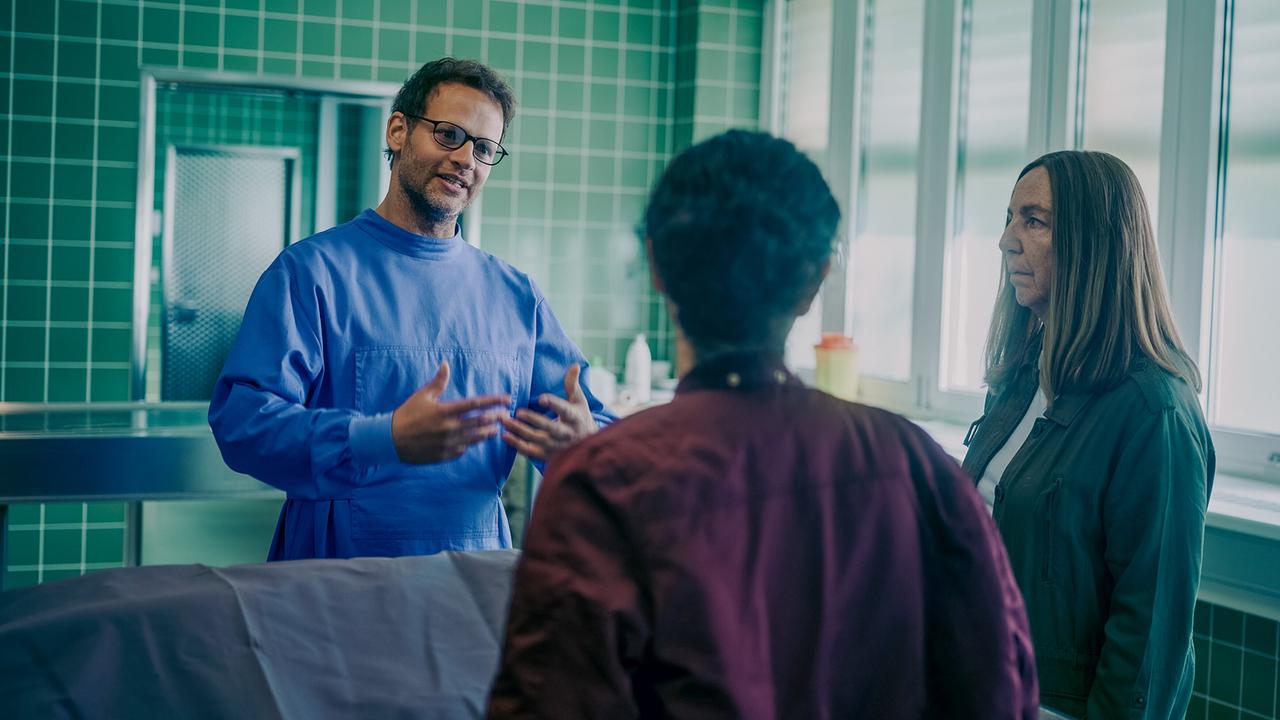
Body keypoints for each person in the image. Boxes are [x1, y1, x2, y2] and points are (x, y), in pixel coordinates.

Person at [487, 130, 1039, 719]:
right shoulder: (919, 467)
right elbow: (999, 692)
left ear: (655, 265)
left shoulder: (602, 485)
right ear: (816, 279)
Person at [209, 58, 614, 561]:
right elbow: (243, 424)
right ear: (398, 130)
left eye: (485, 149)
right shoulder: (311, 273)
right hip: (336, 583)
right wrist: (382, 439)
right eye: (449, 135)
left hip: (471, 583)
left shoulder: (515, 297)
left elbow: (596, 429)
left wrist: (583, 445)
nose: (467, 159)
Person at [961, 150, 1215, 718]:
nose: (1006, 240)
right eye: (1009, 217)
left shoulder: (1155, 412)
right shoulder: (1023, 374)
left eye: (1033, 220)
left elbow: (1149, 640)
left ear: (1094, 244)